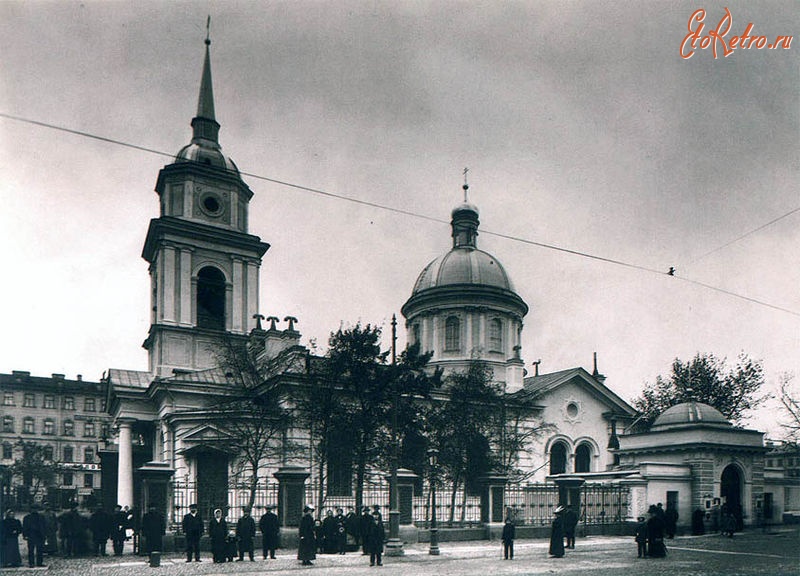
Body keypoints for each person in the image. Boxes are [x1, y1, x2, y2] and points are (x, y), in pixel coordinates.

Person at [22, 503, 47, 568]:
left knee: (40, 549)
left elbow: (44, 526)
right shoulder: (27, 518)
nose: (35, 510)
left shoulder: (41, 517)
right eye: (33, 509)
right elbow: (24, 527)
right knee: (31, 550)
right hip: (31, 535)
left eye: (36, 509)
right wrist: (25, 535)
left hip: (39, 535)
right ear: (31, 510)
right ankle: (31, 563)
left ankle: (39, 562)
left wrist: (44, 534)